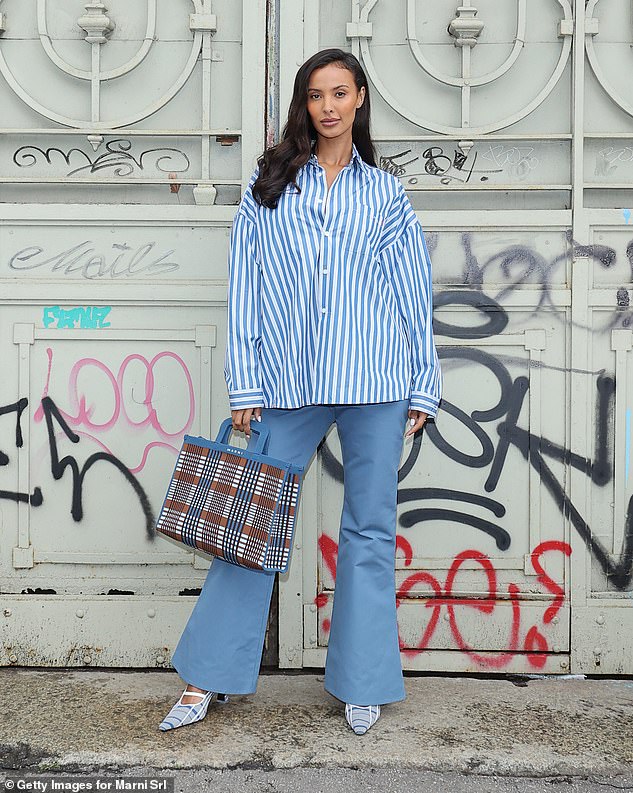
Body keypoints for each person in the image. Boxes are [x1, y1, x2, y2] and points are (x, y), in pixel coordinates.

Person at [159, 47, 442, 736]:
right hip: (288, 382)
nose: (329, 106)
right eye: (317, 95)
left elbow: (411, 294)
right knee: (248, 528)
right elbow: (245, 287)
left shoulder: (384, 194)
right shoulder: (270, 185)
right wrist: (245, 379)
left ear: (361, 99)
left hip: (376, 377)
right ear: (304, 104)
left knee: (369, 530)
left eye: (340, 93)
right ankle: (207, 679)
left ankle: (362, 680)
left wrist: (423, 386)